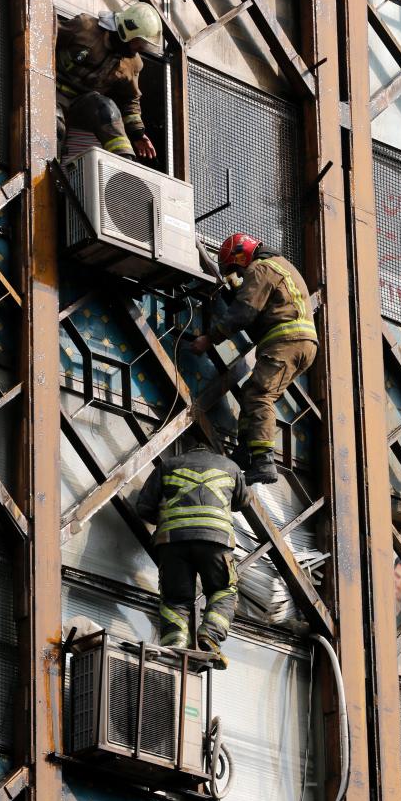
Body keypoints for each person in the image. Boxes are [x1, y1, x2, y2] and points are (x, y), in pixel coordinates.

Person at [190, 233, 318, 485]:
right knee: (253, 391)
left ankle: (263, 461)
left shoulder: (261, 268)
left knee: (261, 395)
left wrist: (209, 338)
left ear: (241, 255)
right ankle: (246, 451)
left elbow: (244, 312)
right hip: (302, 344)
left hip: (285, 341)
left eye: (237, 268)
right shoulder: (280, 265)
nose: (238, 273)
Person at [136, 432, 251, 669]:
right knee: (223, 590)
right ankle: (210, 634)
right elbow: (243, 501)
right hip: (215, 541)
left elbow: (144, 507)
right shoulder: (230, 466)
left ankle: (176, 643)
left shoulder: (167, 465)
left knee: (175, 599)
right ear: (214, 451)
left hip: (172, 541)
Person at [56, 2, 162, 161]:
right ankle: (48, 171)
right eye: (139, 42)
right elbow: (46, 35)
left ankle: (122, 169)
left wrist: (137, 133)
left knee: (108, 111)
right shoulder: (85, 27)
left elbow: (129, 99)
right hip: (51, 89)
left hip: (82, 103)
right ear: (128, 30)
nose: (140, 49)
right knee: (53, 123)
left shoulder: (132, 64)